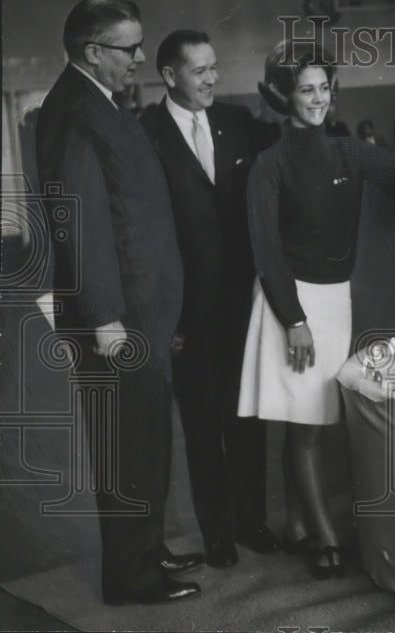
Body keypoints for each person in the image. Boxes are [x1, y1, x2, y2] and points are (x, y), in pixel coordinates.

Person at [237, 40, 395, 579]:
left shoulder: (347, 152)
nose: (319, 99)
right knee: (304, 426)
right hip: (289, 304)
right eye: (306, 90)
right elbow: (265, 249)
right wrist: (293, 320)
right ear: (283, 95)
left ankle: (300, 524)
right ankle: (323, 536)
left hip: (335, 300)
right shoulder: (268, 166)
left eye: (325, 88)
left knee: (315, 419)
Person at [35, 0, 201, 605]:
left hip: (142, 312)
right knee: (128, 445)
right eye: (128, 48)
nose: (139, 58)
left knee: (148, 438)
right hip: (118, 317)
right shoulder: (75, 110)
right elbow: (78, 225)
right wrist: (104, 317)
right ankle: (130, 577)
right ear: (92, 51)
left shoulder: (98, 101)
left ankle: (146, 550)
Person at [139, 30, 280, 569]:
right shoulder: (144, 135)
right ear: (170, 76)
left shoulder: (240, 123)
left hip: (244, 303)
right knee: (202, 428)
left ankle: (253, 521)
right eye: (199, 71)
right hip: (187, 315)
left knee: (247, 420)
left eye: (214, 67)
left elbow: (286, 158)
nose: (212, 79)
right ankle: (217, 534)